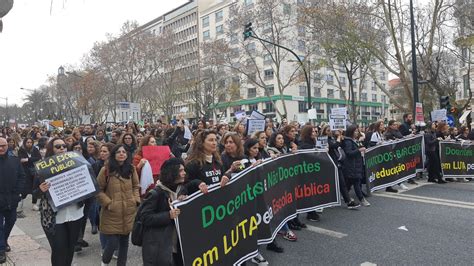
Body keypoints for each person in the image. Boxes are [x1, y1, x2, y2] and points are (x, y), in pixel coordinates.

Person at [140, 158, 203, 266]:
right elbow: (144, 217)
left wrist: (185, 203)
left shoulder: (182, 189)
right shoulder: (156, 194)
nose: (184, 173)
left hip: (179, 245)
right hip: (161, 246)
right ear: (172, 172)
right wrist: (167, 215)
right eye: (181, 170)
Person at [34, 137, 85, 266]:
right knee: (58, 250)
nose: (62, 148)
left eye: (64, 146)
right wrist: (41, 189)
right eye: (58, 146)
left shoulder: (76, 162)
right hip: (54, 217)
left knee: (70, 249)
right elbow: (33, 192)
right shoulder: (42, 167)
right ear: (51, 149)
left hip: (75, 213)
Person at [97, 145, 140, 266]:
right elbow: (98, 190)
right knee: (112, 243)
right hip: (112, 213)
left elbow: (136, 186)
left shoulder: (131, 169)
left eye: (124, 152)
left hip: (128, 211)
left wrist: (135, 200)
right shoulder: (106, 170)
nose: (121, 154)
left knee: (124, 243)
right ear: (114, 155)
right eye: (118, 152)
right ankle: (105, 261)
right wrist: (109, 203)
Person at [319, 125, 360, 210]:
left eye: (331, 130)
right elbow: (335, 145)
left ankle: (348, 201)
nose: (330, 132)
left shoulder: (332, 138)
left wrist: (340, 135)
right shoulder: (324, 140)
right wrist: (338, 137)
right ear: (324, 132)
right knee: (329, 185)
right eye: (328, 130)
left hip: (336, 163)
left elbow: (340, 145)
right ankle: (324, 202)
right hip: (328, 165)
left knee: (342, 183)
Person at [0, 137, 25, 264]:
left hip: (12, 199)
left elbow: (22, 176)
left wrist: (17, 194)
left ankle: (3, 241)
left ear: (7, 146)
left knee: (11, 221)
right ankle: (1, 250)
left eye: (3, 145)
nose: (1, 148)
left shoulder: (14, 161)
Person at [342, 125, 371, 207]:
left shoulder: (355, 140)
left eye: (357, 131)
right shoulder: (348, 141)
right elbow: (349, 153)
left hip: (357, 164)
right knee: (356, 182)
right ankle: (361, 199)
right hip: (352, 165)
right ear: (351, 132)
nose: (357, 133)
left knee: (349, 183)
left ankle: (345, 196)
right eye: (355, 131)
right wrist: (359, 150)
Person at [17, 138, 42, 212]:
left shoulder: (35, 149)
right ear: (25, 143)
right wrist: (31, 159)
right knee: (25, 188)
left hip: (34, 170)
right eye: (28, 142)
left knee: (34, 187)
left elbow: (39, 158)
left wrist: (28, 159)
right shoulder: (21, 150)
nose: (29, 144)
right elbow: (20, 160)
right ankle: (20, 203)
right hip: (25, 171)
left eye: (31, 142)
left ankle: (34, 204)